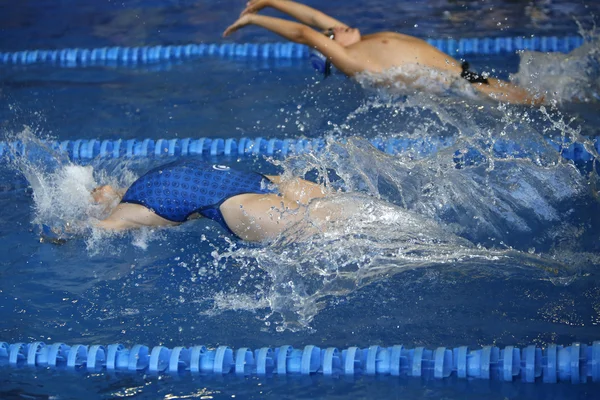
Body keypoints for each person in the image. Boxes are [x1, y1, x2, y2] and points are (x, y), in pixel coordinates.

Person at [223, 0, 543, 105]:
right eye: (332, 36)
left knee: (542, 102)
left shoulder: (357, 42)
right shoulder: (353, 60)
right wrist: (254, 19)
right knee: (544, 106)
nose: (338, 27)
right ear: (332, 49)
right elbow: (307, 33)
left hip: (467, 79)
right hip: (461, 91)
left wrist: (270, 1)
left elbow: (313, 20)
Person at [91, 159, 327, 242]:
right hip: (258, 181)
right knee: (349, 212)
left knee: (332, 232)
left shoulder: (133, 211)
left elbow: (96, 229)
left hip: (242, 205)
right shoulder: (146, 181)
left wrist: (60, 234)